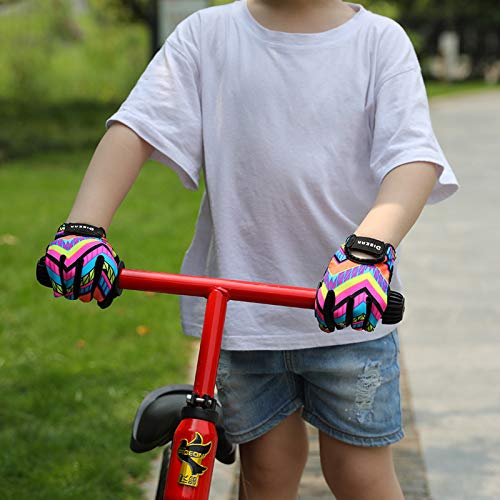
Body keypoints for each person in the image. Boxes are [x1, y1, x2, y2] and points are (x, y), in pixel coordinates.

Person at [38, 1, 459, 499]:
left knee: (359, 475)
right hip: (245, 316)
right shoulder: (207, 34)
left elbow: (412, 158)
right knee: (266, 475)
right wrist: (84, 227)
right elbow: (136, 128)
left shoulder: (378, 42)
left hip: (349, 310)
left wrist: (369, 249)